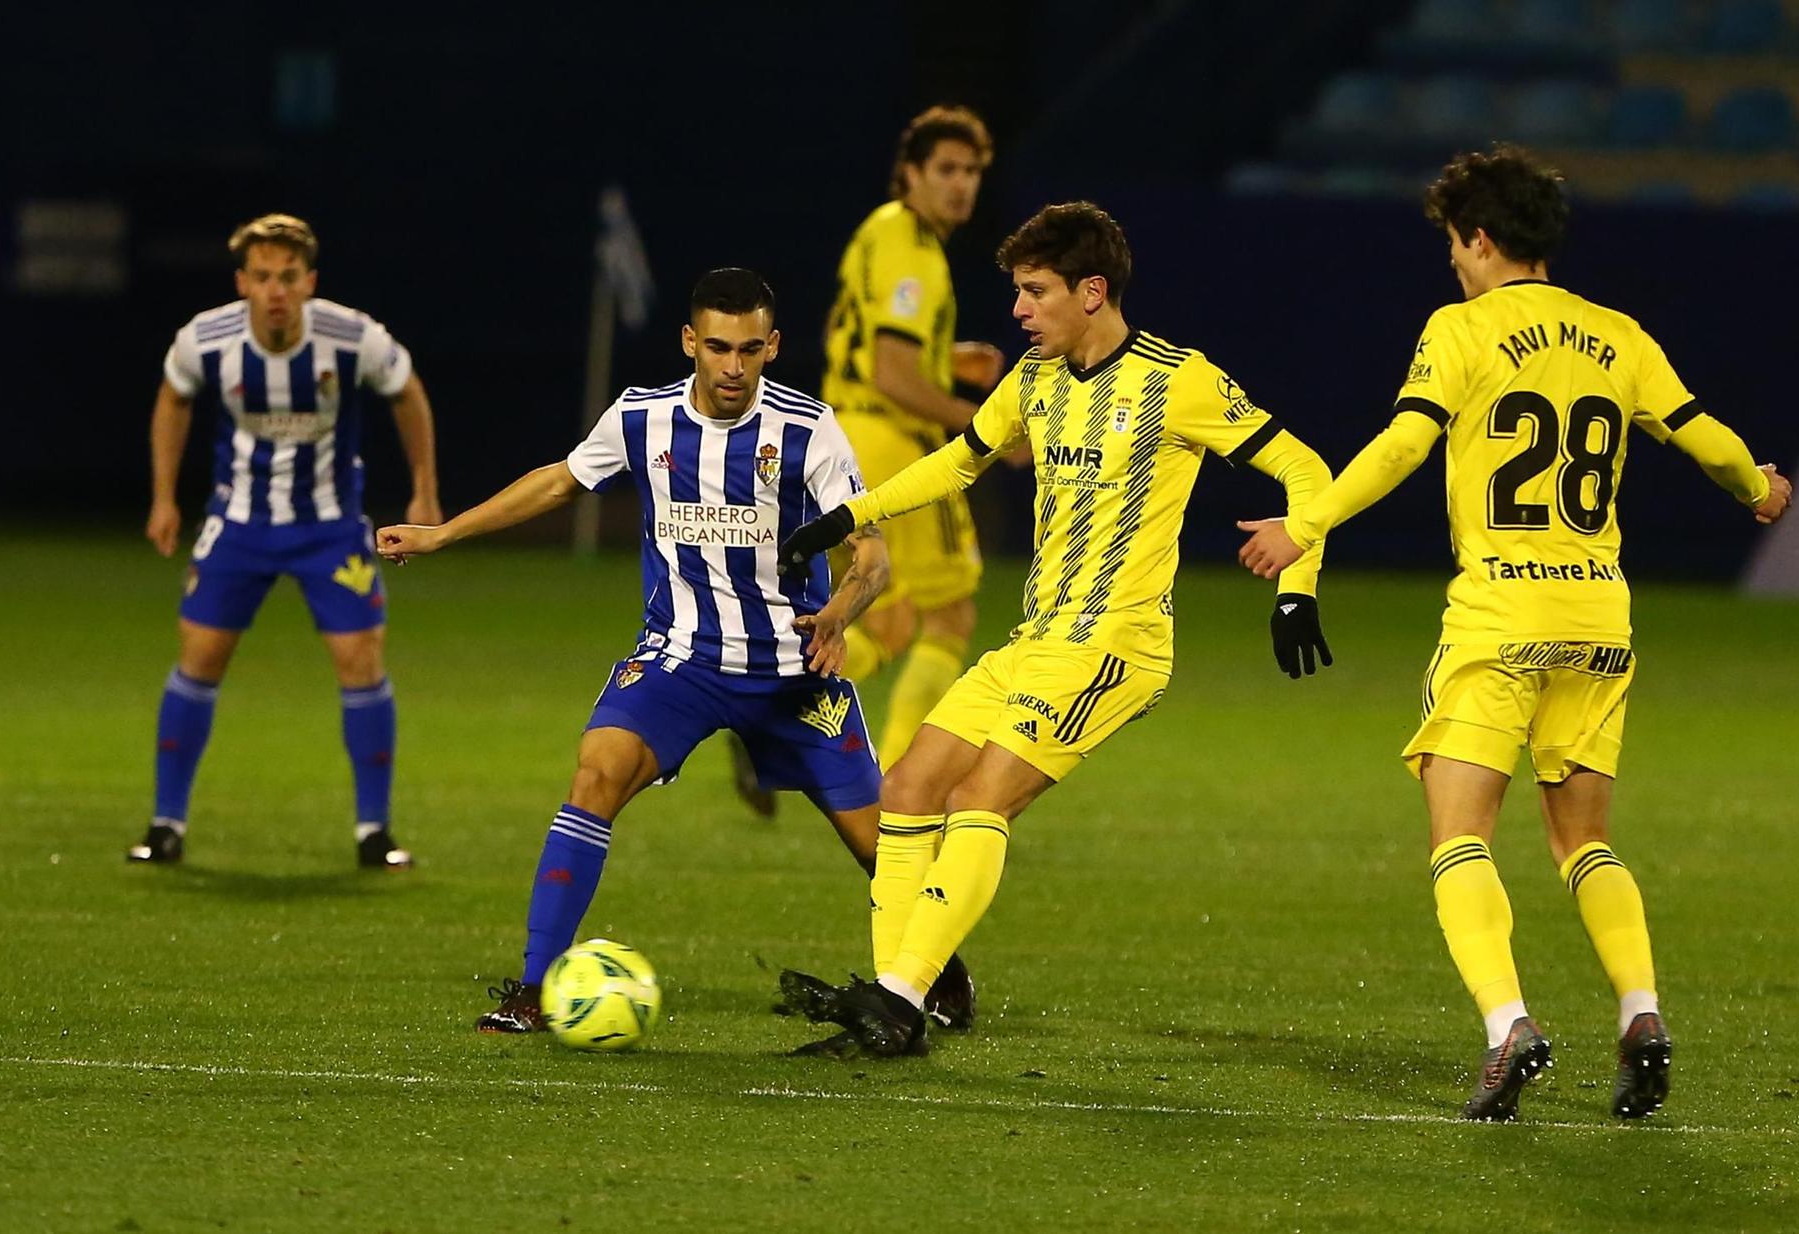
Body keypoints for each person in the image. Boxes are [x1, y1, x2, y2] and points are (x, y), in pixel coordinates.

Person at [1236, 146, 1794, 1121]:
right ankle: (1639, 1010)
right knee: (1582, 839)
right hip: (1595, 610)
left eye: (1454, 242)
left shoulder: (1460, 329)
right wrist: (1759, 486)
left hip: (1500, 610)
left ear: (1481, 239)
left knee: (1458, 834)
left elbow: (1406, 443)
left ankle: (1507, 1027)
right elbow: (1700, 435)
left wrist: (1305, 523)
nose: (1451, 261)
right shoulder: (1615, 333)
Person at [775, 202, 1335, 1058]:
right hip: (1035, 639)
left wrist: (1298, 586)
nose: (1018, 310)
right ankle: (895, 997)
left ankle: (897, 997)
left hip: (1116, 646)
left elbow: (1305, 467)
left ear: (1092, 291)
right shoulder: (1034, 382)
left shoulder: (1178, 380)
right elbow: (957, 461)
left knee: (979, 799)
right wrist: (844, 516)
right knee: (912, 789)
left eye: (1035, 292)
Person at [372, 269, 970, 1034]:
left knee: (878, 845)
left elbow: (874, 556)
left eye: (750, 349)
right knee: (596, 773)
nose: (732, 367)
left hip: (792, 672)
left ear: (773, 347)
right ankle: (534, 989)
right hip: (680, 661)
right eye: (717, 347)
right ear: (690, 341)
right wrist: (443, 533)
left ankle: (941, 975)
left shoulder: (807, 430)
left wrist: (839, 614)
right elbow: (559, 482)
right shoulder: (640, 418)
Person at [129, 213, 439, 869]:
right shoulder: (206, 339)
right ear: (243, 282)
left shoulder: (351, 336)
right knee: (200, 656)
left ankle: (374, 832)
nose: (276, 290)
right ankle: (164, 826)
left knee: (362, 658)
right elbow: (173, 398)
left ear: (309, 282)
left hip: (330, 527)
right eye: (263, 277)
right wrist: (162, 496)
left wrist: (423, 489)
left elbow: (407, 392)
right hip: (239, 522)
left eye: (289, 277)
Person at [814, 104, 1008, 770]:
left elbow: (858, 341)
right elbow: (894, 375)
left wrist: (947, 359)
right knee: (949, 618)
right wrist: (982, 428)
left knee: (889, 620)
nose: (961, 185)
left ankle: (789, 711)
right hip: (890, 442)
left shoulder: (882, 232)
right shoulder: (914, 254)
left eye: (972, 171)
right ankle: (896, 781)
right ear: (910, 175)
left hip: (843, 433)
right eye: (946, 170)